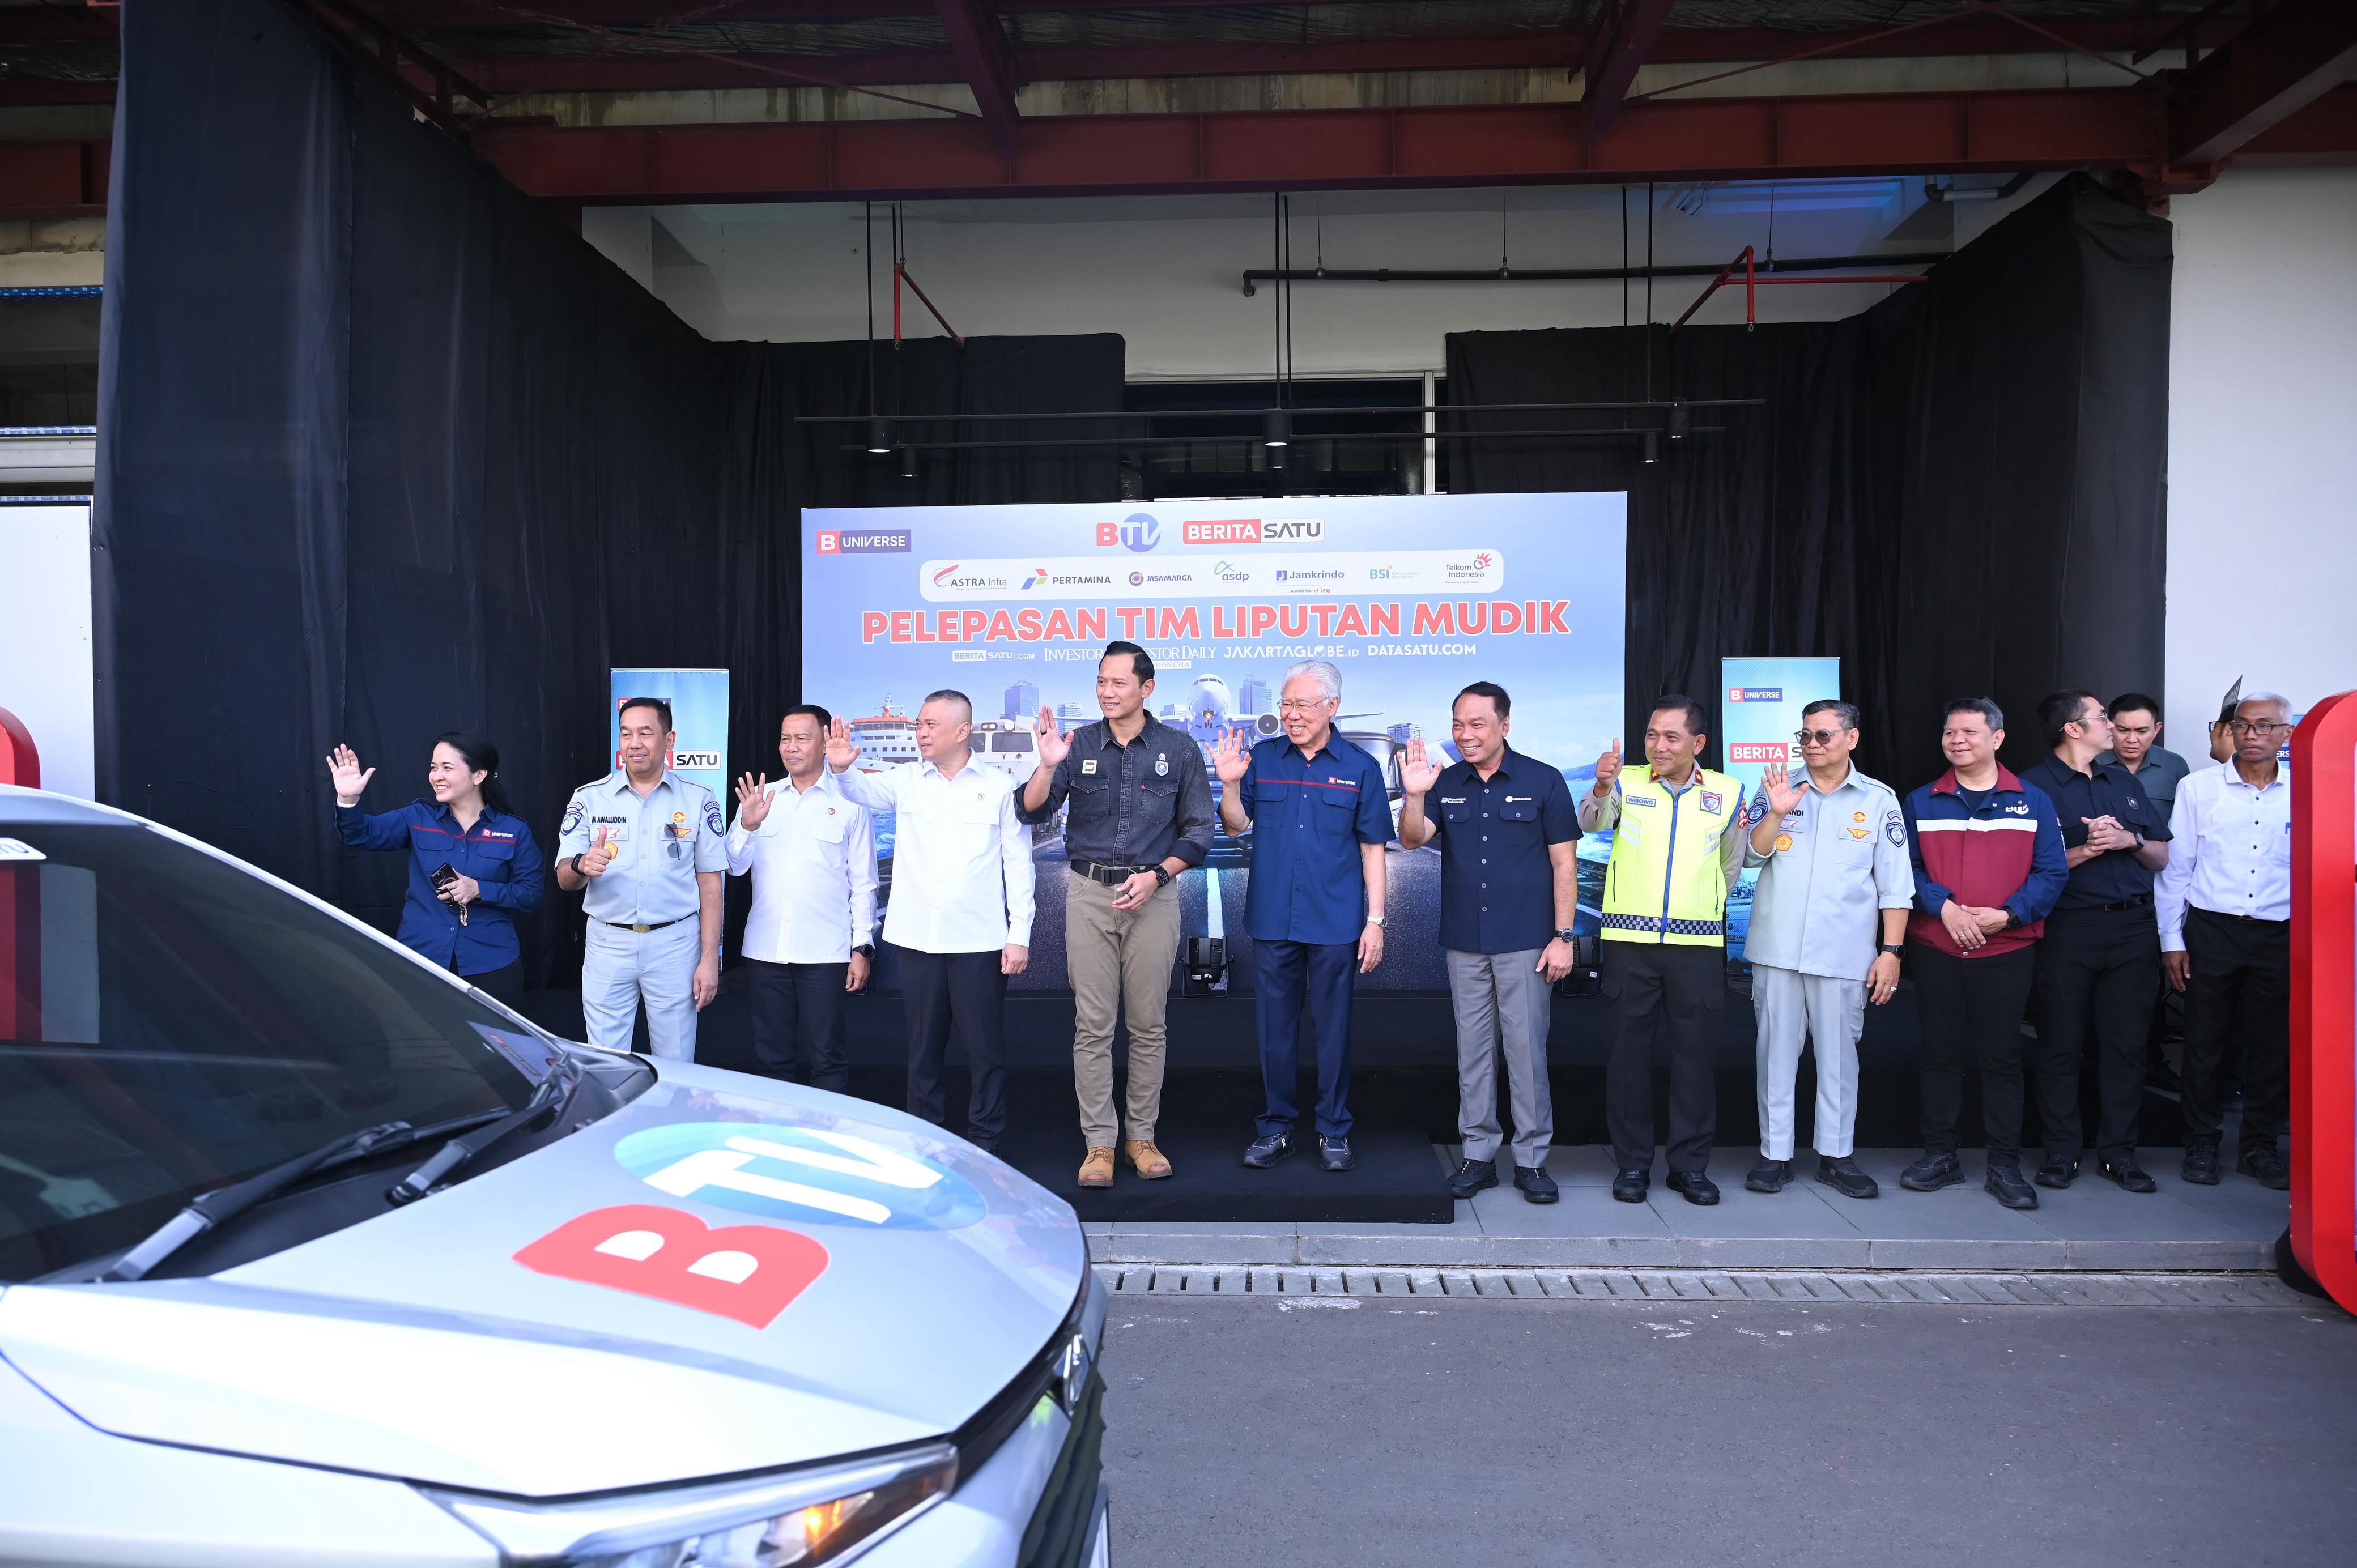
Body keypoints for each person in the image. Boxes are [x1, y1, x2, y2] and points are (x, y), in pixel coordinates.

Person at [1019, 641, 1214, 1188]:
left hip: (1155, 895)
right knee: (1093, 1027)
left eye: (1119, 683)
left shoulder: (1179, 749)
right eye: (1101, 682)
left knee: (1148, 1026)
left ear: (1147, 689)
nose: (1107, 692)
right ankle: (1099, 1145)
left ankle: (1142, 1138)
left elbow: (1200, 831)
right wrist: (1046, 764)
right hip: (1089, 895)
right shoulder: (1076, 743)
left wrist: (1157, 875)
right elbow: (1030, 809)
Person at [826, 691, 1034, 1153]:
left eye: (930, 725)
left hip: (979, 941)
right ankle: (928, 1145)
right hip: (916, 941)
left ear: (963, 731)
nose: (920, 733)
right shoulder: (905, 780)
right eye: (919, 724)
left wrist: (1018, 934)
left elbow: (1019, 864)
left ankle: (986, 1145)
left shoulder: (1000, 786)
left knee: (985, 1055)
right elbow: (859, 789)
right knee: (922, 1055)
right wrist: (840, 768)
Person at [1397, 681, 1580, 1204]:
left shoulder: (1542, 781)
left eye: (1478, 724)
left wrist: (1564, 936)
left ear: (1505, 725)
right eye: (1458, 724)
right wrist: (1414, 793)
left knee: (1526, 1054)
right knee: (1472, 1053)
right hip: (1465, 941)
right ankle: (1478, 1156)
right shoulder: (1444, 781)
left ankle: (1532, 1162)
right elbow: (1413, 839)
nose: (1466, 734)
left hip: (1526, 941)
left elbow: (1564, 864)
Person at [1212, 659, 1391, 1174]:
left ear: (1331, 707)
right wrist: (1228, 785)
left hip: (1336, 922)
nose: (1291, 715)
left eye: (1302, 705)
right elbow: (1237, 825)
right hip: (1272, 918)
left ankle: (1334, 1130)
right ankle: (1276, 1128)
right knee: (1275, 1031)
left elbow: (1373, 848)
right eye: (1285, 705)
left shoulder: (1360, 766)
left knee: (1333, 1030)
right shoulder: (1263, 759)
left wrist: (1374, 921)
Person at [1739, 700, 1913, 1200]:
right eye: (1806, 736)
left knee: (1839, 1057)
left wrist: (1891, 951)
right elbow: (1752, 856)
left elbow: (1895, 885)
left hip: (1844, 952)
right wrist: (1776, 813)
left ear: (1852, 738)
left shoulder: (1880, 800)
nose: (1812, 745)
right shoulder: (1779, 787)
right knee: (1775, 1054)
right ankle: (1775, 1155)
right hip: (1778, 948)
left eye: (1824, 736)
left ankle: (1836, 1156)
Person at [1897, 698, 2067, 1211]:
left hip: (2006, 950)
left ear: (1998, 738)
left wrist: (2008, 916)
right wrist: (1944, 908)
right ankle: (1940, 1156)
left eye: (1970, 731)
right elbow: (1905, 869)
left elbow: (2052, 872)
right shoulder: (1922, 801)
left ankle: (2005, 1166)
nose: (1957, 740)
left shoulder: (2032, 800)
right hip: (1939, 949)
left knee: (2002, 1060)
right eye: (1950, 732)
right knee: (1939, 1057)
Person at [1577, 696, 1746, 1206]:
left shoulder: (1728, 791)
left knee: (1694, 1061)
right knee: (1628, 1059)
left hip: (1697, 947)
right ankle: (1632, 1165)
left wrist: (1706, 905)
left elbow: (1732, 863)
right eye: (1652, 735)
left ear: (1698, 743)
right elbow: (1589, 822)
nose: (1658, 746)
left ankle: (1690, 1168)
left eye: (1671, 737)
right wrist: (1603, 786)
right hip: (1630, 944)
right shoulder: (1626, 782)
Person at [2020, 691, 2172, 1192]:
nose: (2113, 726)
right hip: (2068, 928)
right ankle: (2062, 1154)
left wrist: (2127, 840)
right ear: (2073, 728)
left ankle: (2119, 1155)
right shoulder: (2032, 788)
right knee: (2061, 1045)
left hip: (2132, 928)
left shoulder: (2121, 780)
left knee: (2126, 1047)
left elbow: (2160, 857)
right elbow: (2023, 872)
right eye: (2103, 718)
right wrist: (2088, 848)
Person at [2155, 692, 2295, 1190]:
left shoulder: (2308, 791)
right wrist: (2172, 938)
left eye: (2265, 726)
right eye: (2243, 726)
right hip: (2212, 930)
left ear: (2287, 734)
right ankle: (2200, 1142)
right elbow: (2177, 869)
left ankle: (2259, 1147)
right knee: (2205, 1042)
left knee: (2271, 1046)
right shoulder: (2199, 788)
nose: (2252, 734)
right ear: (2229, 732)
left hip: (2280, 933)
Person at [555, 697, 726, 1061]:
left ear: (670, 740)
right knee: (605, 1058)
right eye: (626, 733)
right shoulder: (589, 798)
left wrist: (710, 958)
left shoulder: (700, 800)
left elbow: (711, 884)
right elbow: (563, 879)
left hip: (675, 943)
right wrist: (582, 865)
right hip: (608, 942)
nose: (635, 743)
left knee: (676, 1057)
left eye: (646, 733)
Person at [326, 732, 544, 1004]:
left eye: (447, 768)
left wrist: (479, 890)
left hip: (491, 963)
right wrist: (348, 800)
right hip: (421, 959)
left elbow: (531, 895)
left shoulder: (514, 830)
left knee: (489, 1046)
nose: (436, 776)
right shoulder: (417, 818)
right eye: (433, 768)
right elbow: (361, 834)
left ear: (478, 776)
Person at [726, 704, 877, 1095]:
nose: (790, 747)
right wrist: (747, 825)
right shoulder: (762, 798)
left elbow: (864, 882)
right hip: (766, 950)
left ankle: (825, 1144)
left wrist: (861, 947)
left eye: (802, 738)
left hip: (826, 953)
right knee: (772, 1058)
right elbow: (733, 866)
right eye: (784, 738)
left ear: (826, 742)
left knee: (827, 1058)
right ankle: (778, 1139)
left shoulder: (851, 801)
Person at [2098, 693, 2190, 820]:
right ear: (2109, 726)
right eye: (2123, 730)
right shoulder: (2092, 763)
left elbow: (2186, 820)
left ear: (2156, 729)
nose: (2131, 739)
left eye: (2142, 731)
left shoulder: (2175, 766)